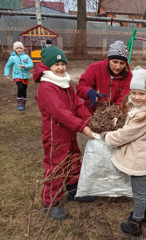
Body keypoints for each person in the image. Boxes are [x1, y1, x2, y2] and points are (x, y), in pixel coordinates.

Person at [101, 66, 146, 240]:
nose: (137, 97)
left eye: (142, 94)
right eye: (134, 92)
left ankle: (135, 224)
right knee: (142, 185)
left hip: (138, 157)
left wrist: (107, 136)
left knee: (138, 190)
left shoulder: (143, 115)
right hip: (142, 155)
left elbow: (125, 134)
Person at [34, 46, 94, 221]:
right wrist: (81, 127)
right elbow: (60, 112)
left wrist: (90, 120)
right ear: (47, 66)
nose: (60, 68)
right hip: (55, 135)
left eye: (63, 64)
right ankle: (50, 202)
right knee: (56, 165)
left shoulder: (65, 84)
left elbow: (77, 105)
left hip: (69, 131)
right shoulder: (46, 88)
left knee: (74, 157)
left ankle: (73, 190)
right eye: (56, 64)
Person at [76, 40, 132, 112]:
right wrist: (88, 91)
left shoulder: (128, 75)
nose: (118, 66)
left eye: (122, 63)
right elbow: (81, 87)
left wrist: (115, 111)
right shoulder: (95, 68)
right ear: (109, 60)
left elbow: (125, 97)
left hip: (115, 112)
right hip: (92, 112)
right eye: (115, 62)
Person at [4, 41, 33, 111]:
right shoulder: (12, 58)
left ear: (23, 49)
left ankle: (23, 103)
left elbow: (31, 65)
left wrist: (25, 66)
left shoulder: (26, 56)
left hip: (25, 76)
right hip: (17, 76)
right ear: (14, 49)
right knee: (20, 88)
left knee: (24, 89)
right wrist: (6, 75)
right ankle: (19, 103)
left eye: (21, 48)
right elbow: (7, 66)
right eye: (17, 48)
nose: (19, 49)